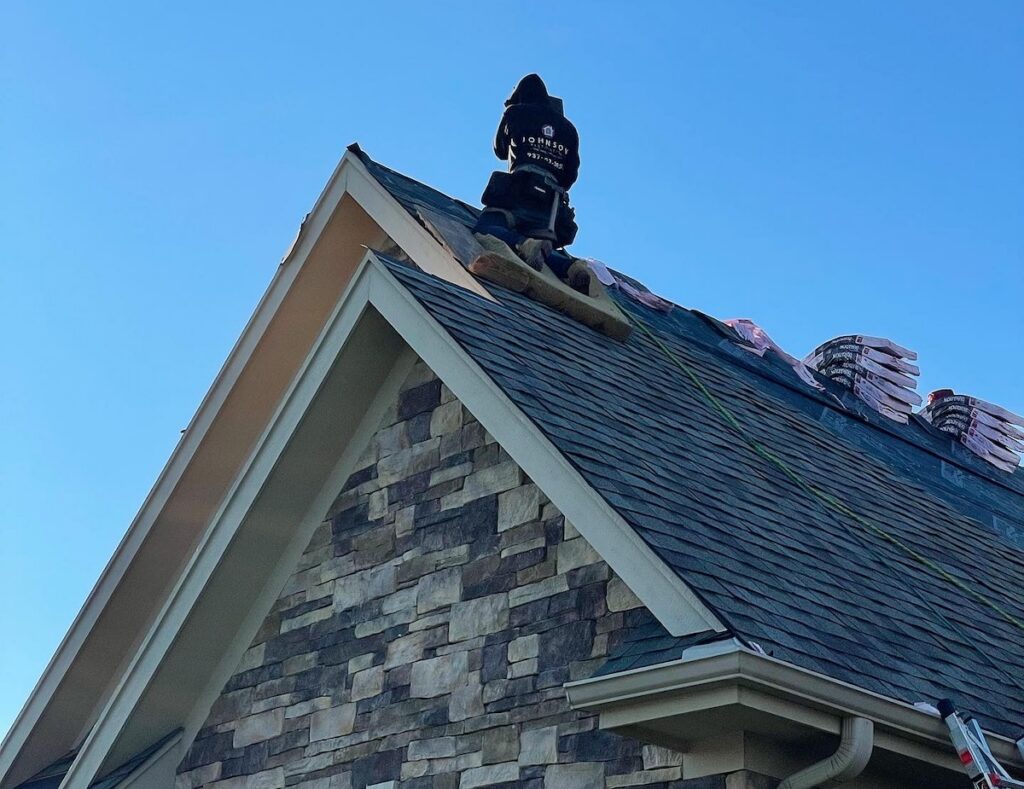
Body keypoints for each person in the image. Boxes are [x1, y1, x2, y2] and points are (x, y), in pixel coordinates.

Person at [474, 74, 584, 286]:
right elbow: (570, 176)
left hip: (519, 190)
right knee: (539, 247)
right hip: (550, 208)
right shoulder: (569, 129)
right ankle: (571, 268)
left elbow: (500, 149)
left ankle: (523, 243)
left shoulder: (515, 111)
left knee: (486, 227)